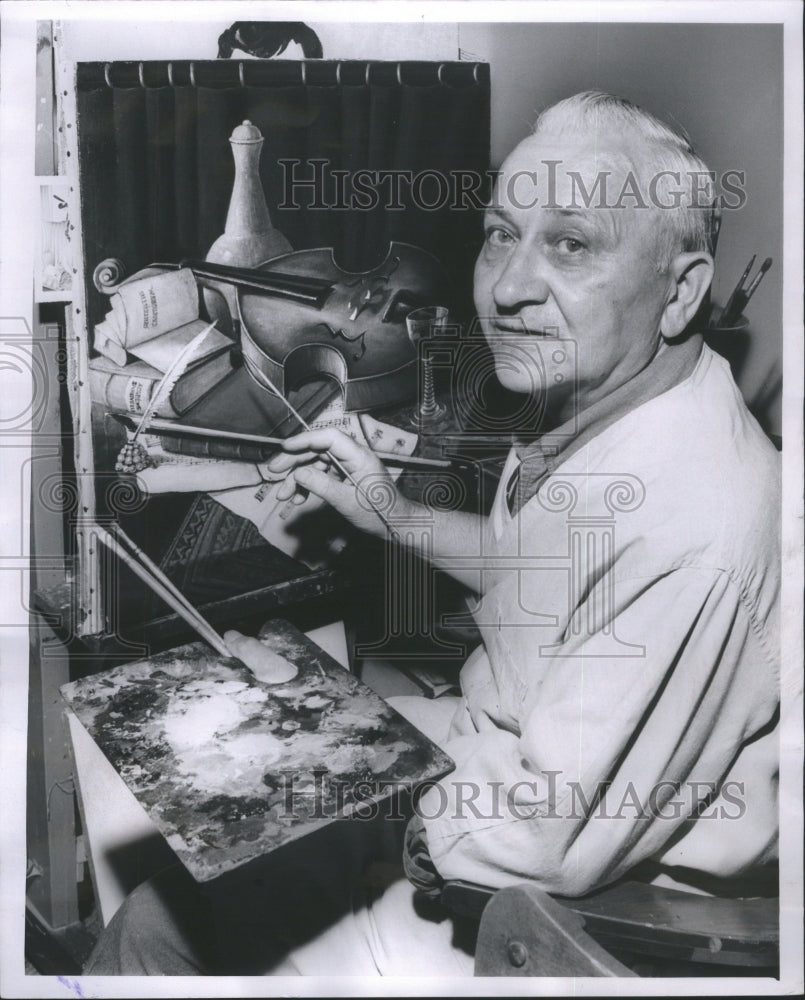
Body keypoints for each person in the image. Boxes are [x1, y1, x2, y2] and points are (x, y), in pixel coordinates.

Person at [86, 91, 780, 977]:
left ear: (679, 290)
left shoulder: (693, 528)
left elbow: (545, 834)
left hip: (557, 909)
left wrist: (331, 773)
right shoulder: (615, 406)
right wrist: (397, 514)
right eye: (501, 234)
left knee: (161, 926)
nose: (509, 286)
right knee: (185, 851)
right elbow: (548, 580)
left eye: (570, 244)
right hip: (498, 770)